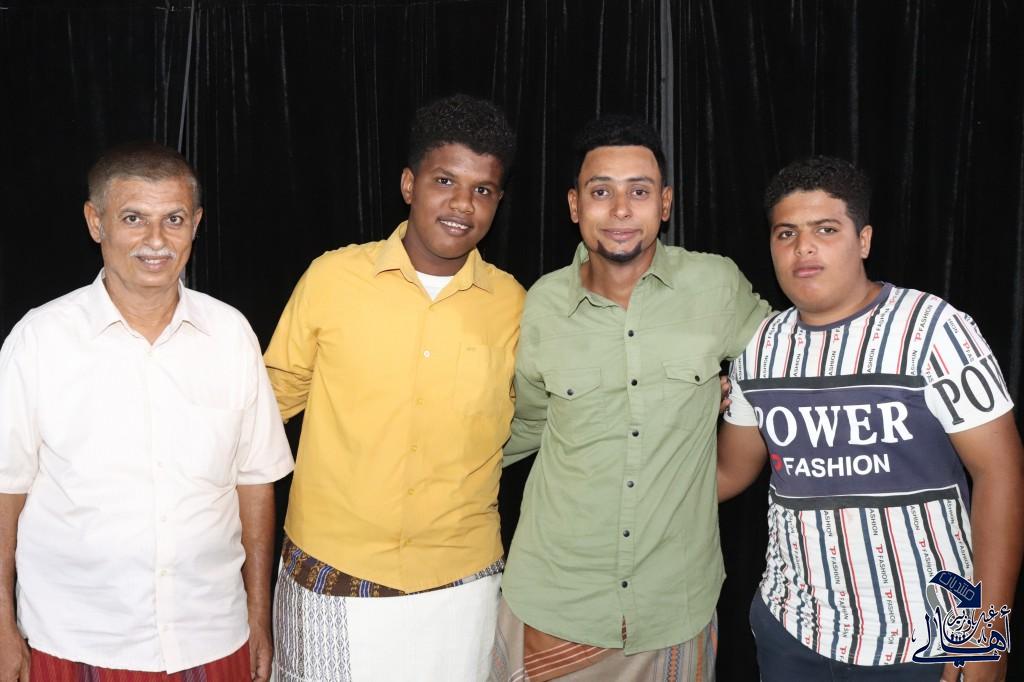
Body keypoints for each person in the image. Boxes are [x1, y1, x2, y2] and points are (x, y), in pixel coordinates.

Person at [717, 156, 1024, 681]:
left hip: (925, 638)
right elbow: (728, 472)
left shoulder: (934, 329)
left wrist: (985, 638)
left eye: (826, 229)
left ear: (863, 240)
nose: (803, 247)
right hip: (794, 633)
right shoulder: (758, 346)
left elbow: (1000, 472)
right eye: (786, 233)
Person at [0, 142, 294, 682]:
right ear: (96, 223)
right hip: (74, 641)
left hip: (211, 636)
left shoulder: (231, 335)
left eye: (173, 220)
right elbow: (5, 489)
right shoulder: (39, 340)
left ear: (196, 225)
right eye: (133, 218)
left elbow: (254, 483)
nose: (156, 240)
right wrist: (1, 624)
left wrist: (259, 615)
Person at [490, 115, 770, 681]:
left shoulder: (715, 285)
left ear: (664, 204)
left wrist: (733, 398)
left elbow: (789, 360)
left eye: (638, 192)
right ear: (574, 205)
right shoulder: (541, 304)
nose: (620, 210)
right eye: (601, 192)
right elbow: (521, 426)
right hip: (554, 607)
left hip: (674, 608)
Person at [264, 93, 523, 681]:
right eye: (445, 181)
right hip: (330, 572)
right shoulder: (332, 278)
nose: (463, 204)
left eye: (483, 189)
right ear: (409, 184)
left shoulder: (514, 305)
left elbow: (536, 417)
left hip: (460, 584)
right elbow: (266, 406)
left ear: (498, 202)